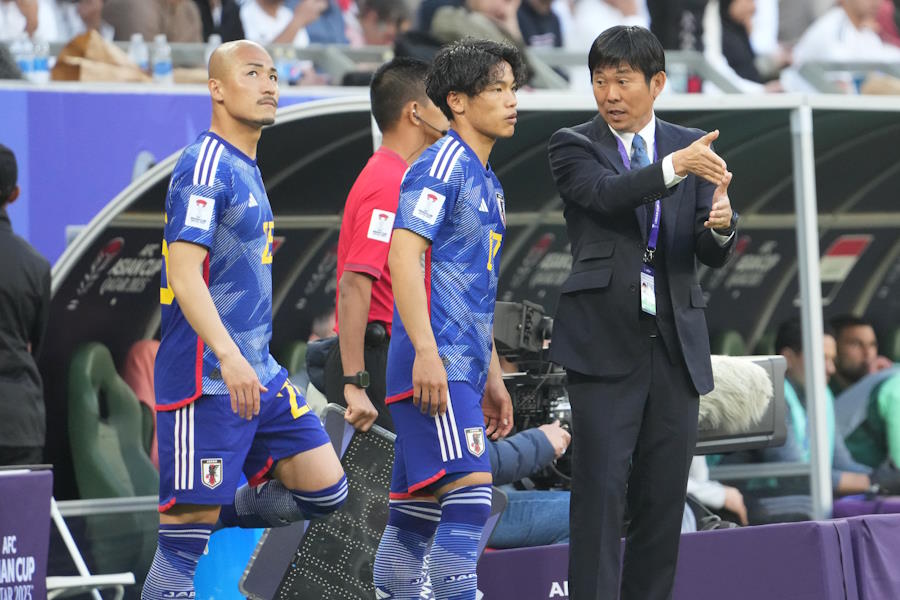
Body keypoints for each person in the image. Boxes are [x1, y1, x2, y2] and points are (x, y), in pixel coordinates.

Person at [142, 40, 347, 600]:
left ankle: (214, 509)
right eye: (252, 72)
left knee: (328, 490)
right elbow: (184, 274)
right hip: (206, 379)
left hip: (258, 373)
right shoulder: (204, 164)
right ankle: (191, 519)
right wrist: (228, 356)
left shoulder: (247, 168)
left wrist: (248, 359)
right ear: (216, 88)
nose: (269, 84)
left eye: (275, 74)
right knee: (180, 553)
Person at [547, 25, 738, 600]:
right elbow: (607, 195)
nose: (609, 94)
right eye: (600, 81)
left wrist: (723, 226)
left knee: (662, 502)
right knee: (600, 496)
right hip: (603, 345)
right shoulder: (573, 144)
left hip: (675, 345)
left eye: (622, 81)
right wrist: (673, 168)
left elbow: (707, 251)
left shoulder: (690, 144)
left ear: (656, 83)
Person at [372, 38, 525, 600]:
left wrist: (490, 372)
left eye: (514, 88)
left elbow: (475, 287)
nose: (512, 100)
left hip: (462, 365)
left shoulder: (489, 181)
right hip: (429, 363)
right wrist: (430, 354)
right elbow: (401, 255)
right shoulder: (437, 166)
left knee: (412, 519)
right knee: (469, 501)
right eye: (497, 89)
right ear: (457, 101)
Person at [324, 56, 450, 433]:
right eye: (441, 101)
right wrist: (354, 382)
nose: (450, 111)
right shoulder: (388, 181)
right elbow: (354, 284)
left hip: (391, 356)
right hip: (374, 362)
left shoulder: (403, 177)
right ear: (415, 112)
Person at [0, 144, 51, 467]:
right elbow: (37, 345)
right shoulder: (36, 266)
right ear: (15, 194)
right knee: (19, 520)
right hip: (21, 426)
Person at [830, 315, 900, 471]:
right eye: (856, 344)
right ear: (832, 349)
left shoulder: (885, 386)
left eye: (872, 345)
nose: (868, 353)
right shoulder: (820, 392)